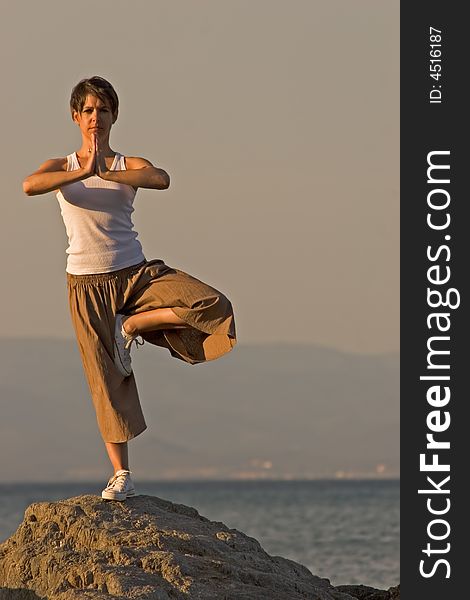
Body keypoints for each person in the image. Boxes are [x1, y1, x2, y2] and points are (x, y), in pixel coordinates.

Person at [23, 76, 237, 501]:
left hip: (136, 274)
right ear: (75, 117)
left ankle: (134, 324)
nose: (95, 118)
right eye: (87, 110)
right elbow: (29, 186)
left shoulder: (126, 166)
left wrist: (107, 170)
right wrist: (83, 171)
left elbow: (161, 178)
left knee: (212, 304)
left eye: (103, 110)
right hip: (86, 285)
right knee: (105, 378)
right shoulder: (61, 167)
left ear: (114, 116)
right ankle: (122, 473)